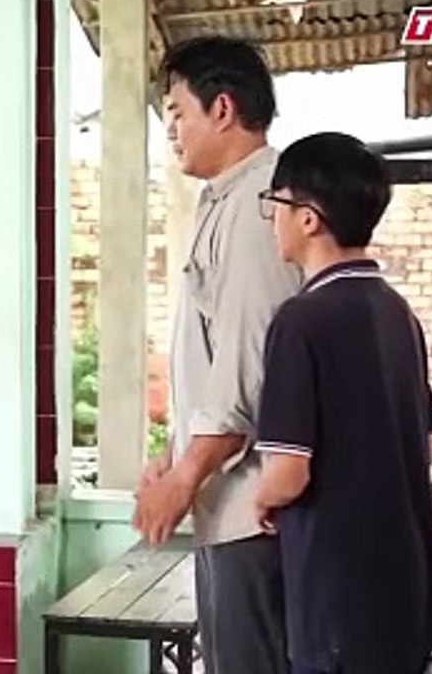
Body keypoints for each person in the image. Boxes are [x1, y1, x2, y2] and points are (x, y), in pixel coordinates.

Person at [252, 132, 432, 674]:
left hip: (337, 591)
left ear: (308, 218)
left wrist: (261, 498)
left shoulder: (300, 321)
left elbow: (288, 473)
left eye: (275, 203)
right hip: (405, 582)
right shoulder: (397, 312)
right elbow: (426, 444)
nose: (271, 219)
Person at [131, 35, 302, 673]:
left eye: (178, 112)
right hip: (223, 505)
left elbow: (247, 369)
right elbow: (212, 355)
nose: (171, 130)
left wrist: (184, 478)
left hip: (252, 515)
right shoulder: (226, 198)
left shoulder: (261, 208)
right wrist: (175, 455)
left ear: (222, 109)